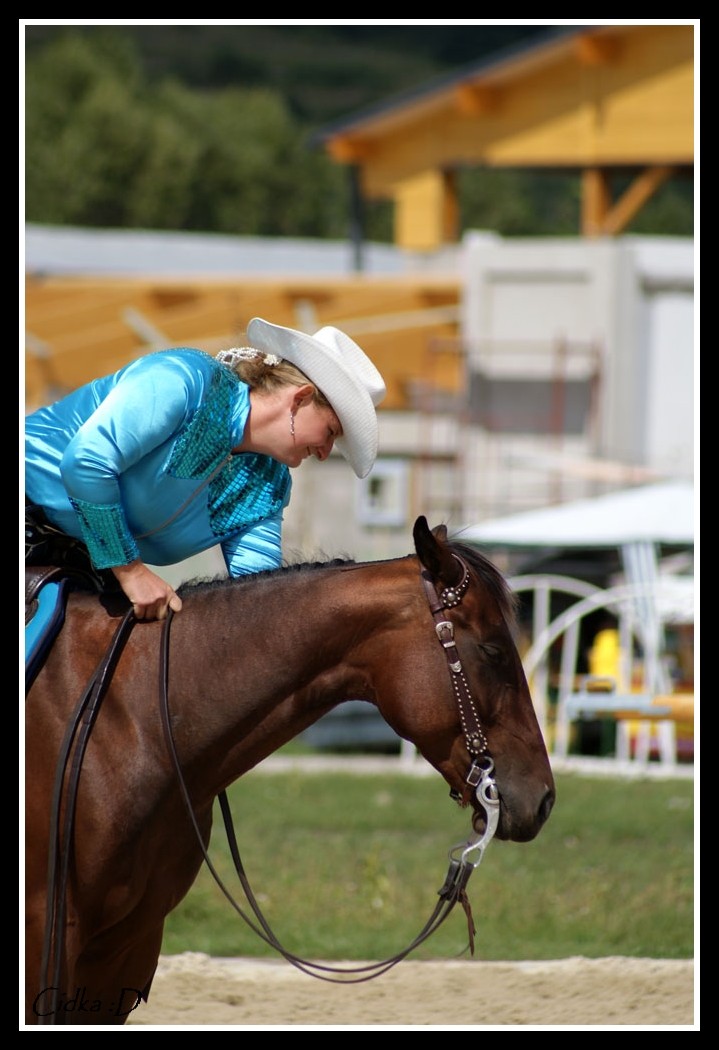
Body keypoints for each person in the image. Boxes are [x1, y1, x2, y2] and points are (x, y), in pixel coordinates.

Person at [25, 317, 386, 621]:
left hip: (82, 563)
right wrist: (131, 571)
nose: (325, 453)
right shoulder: (184, 380)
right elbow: (86, 463)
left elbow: (258, 592)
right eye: (330, 432)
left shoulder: (268, 486)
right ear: (301, 397)